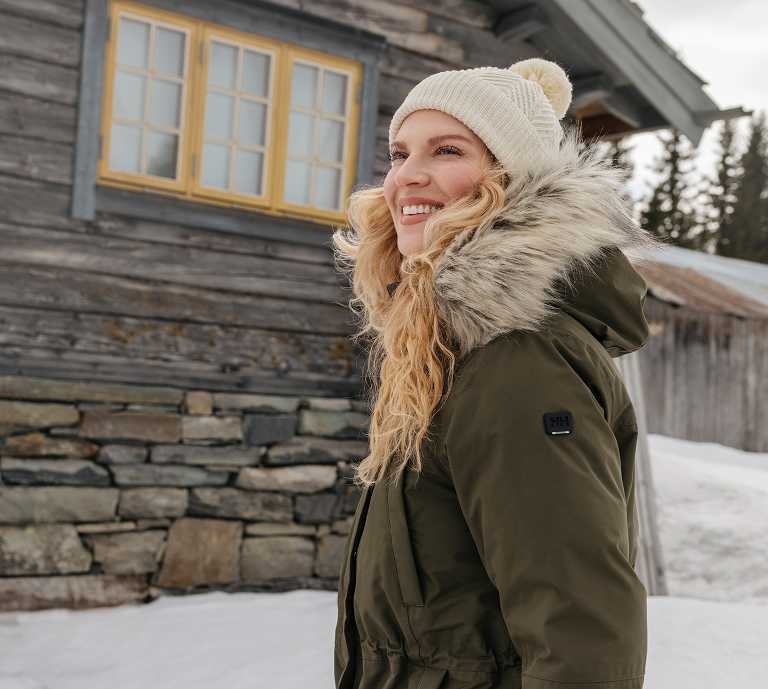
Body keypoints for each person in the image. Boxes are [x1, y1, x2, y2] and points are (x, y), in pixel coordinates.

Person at [331, 58, 663, 689]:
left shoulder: (517, 360)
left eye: (446, 150)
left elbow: (582, 632)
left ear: (510, 180)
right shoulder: (443, 351)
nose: (408, 176)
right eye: (399, 153)